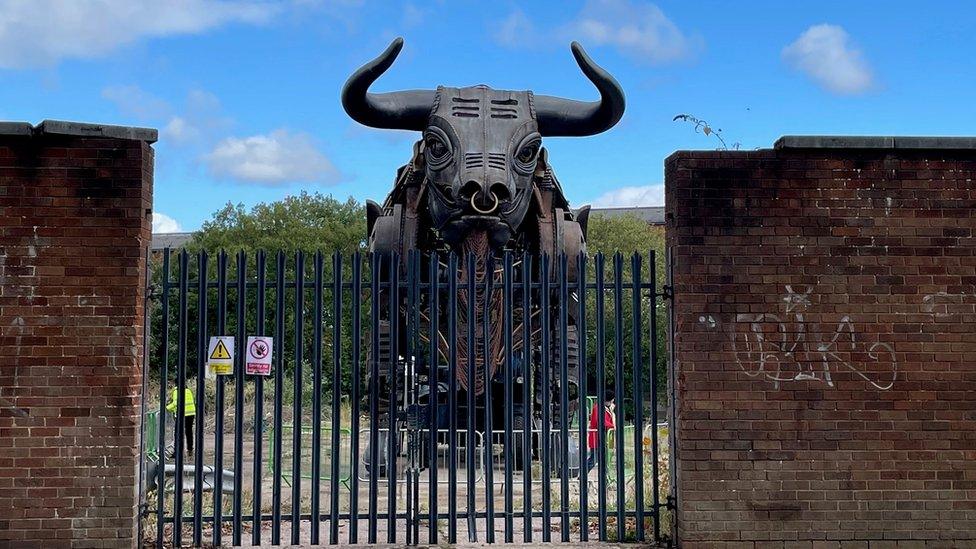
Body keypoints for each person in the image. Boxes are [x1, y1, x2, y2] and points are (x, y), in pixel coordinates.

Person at [586, 390, 615, 473]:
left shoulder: (604, 408)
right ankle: (582, 476)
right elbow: (601, 422)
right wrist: (613, 426)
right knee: (593, 460)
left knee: (604, 460)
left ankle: (605, 479)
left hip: (602, 439)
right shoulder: (598, 408)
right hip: (597, 439)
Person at [165, 383, 196, 458]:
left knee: (178, 433)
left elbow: (176, 403)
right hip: (191, 413)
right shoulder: (188, 390)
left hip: (182, 414)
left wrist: (167, 408)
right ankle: (190, 450)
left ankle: (177, 452)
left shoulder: (176, 391)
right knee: (189, 432)